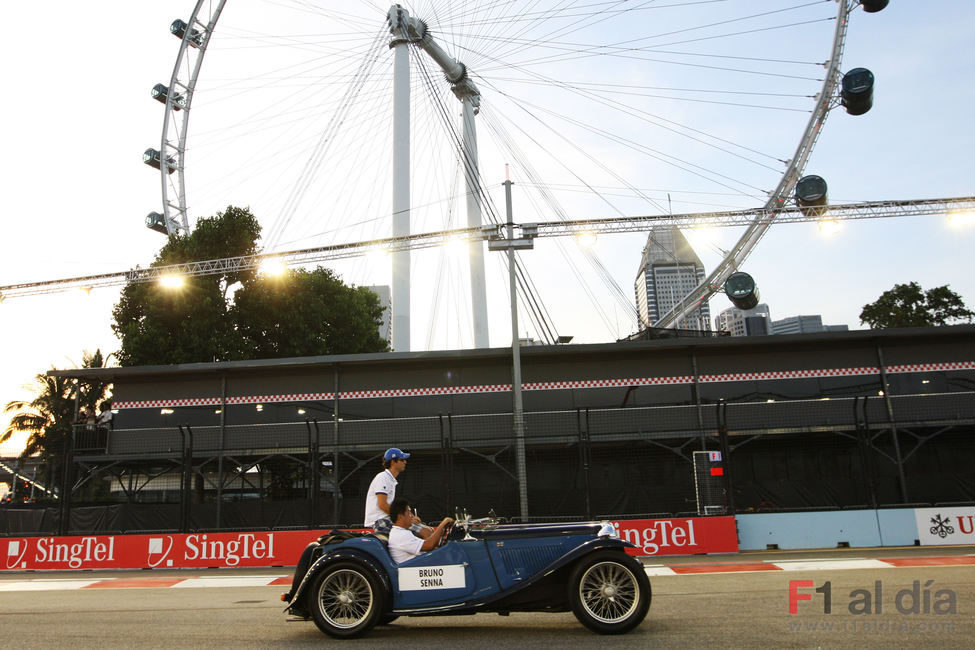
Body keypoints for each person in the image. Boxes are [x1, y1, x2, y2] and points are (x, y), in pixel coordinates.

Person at [363, 448, 431, 537]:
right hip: (381, 521)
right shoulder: (383, 477)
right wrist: (406, 519)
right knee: (426, 532)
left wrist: (410, 517)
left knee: (429, 530)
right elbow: (382, 505)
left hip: (386, 520)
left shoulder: (389, 479)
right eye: (402, 460)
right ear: (392, 462)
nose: (405, 462)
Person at [387, 497, 453, 564]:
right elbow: (430, 545)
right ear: (400, 516)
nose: (412, 516)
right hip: (414, 569)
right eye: (409, 513)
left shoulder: (402, 532)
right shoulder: (400, 535)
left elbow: (430, 544)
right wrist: (443, 523)